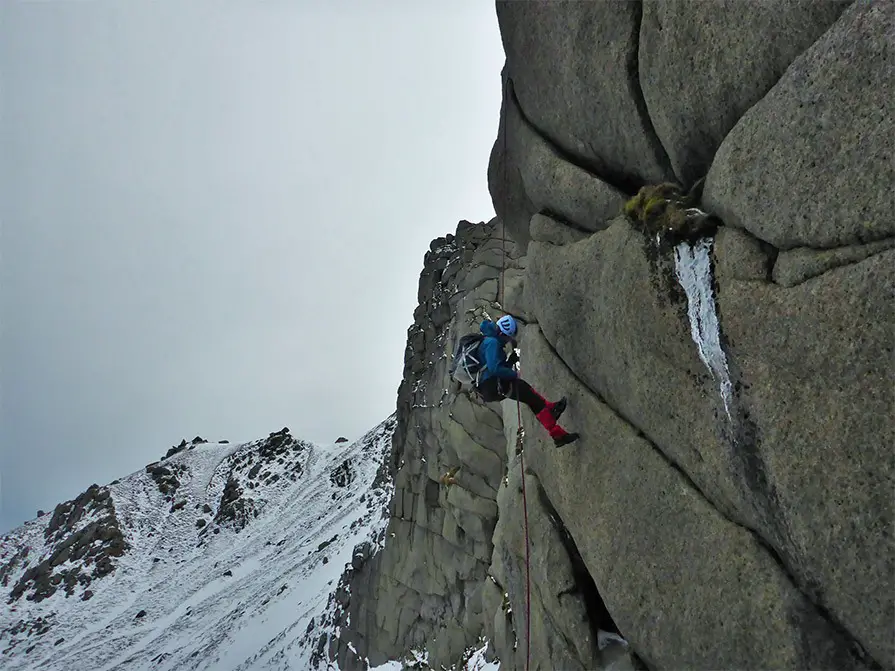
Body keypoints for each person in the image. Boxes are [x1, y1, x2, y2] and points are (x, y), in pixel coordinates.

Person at [475, 315, 579, 447]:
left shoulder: (489, 341)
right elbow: (494, 368)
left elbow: (492, 367)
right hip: (492, 385)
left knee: (528, 394)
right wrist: (513, 373)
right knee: (531, 397)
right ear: (502, 333)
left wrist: (509, 362)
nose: (507, 341)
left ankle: (552, 411)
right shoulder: (492, 342)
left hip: (491, 386)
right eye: (507, 337)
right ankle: (556, 431)